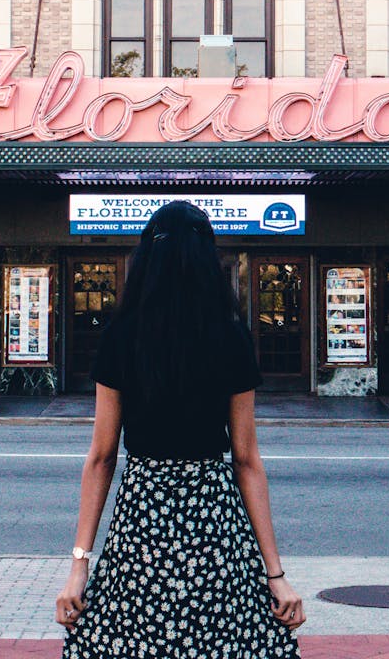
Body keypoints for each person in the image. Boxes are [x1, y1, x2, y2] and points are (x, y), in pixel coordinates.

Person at [55, 200, 305, 658]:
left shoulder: (122, 336)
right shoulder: (231, 337)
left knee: (132, 643)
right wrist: (275, 574)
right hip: (213, 522)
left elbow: (102, 457)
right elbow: (246, 459)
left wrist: (78, 567)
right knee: (223, 645)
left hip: (141, 523)